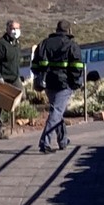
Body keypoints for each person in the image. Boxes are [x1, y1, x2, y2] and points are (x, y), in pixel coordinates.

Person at [34, 17, 84, 151]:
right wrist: (75, 83)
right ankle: (45, 142)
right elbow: (77, 67)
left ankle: (63, 140)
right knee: (56, 112)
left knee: (57, 112)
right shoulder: (72, 45)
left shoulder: (44, 44)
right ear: (68, 30)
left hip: (48, 83)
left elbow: (35, 65)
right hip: (64, 84)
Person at [0, 16, 23, 139]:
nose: (15, 31)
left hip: (14, 77)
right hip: (3, 79)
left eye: (17, 29)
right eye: (12, 28)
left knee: (21, 95)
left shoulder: (16, 44)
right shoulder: (1, 44)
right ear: (7, 29)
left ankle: (10, 122)